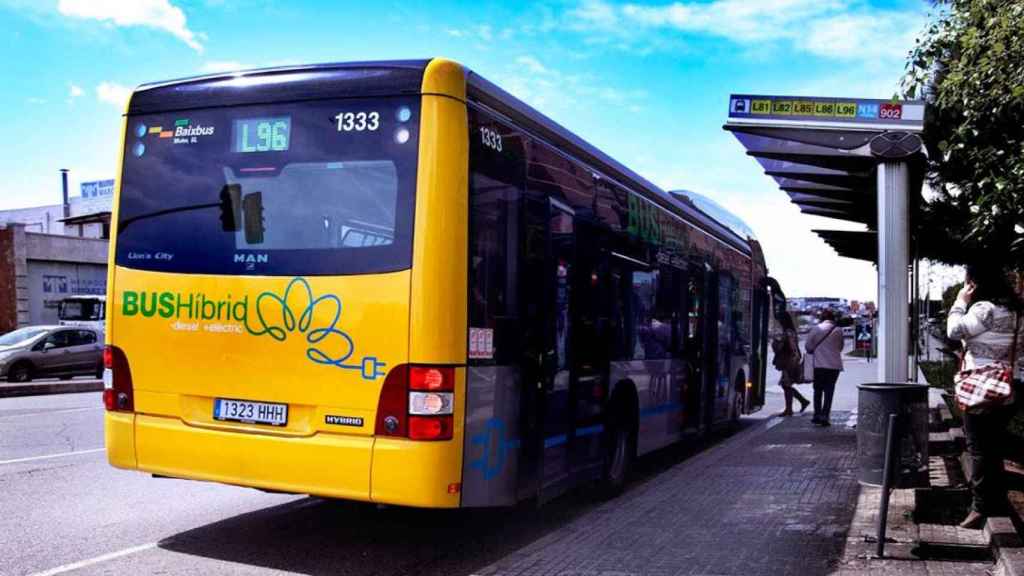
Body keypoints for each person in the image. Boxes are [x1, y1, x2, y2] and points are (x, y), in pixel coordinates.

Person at [947, 264, 1024, 529]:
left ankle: (980, 508)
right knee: (993, 447)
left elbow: (954, 331)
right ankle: (996, 501)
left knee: (979, 448)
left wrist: (960, 302)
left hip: (983, 386)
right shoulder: (1017, 313)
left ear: (975, 284)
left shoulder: (985, 309)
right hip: (1011, 385)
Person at [804, 309, 844, 426]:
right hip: (834, 366)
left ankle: (816, 415)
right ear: (833, 318)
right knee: (829, 391)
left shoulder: (816, 329)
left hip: (819, 366)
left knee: (817, 390)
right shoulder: (838, 330)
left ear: (821, 318)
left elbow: (808, 347)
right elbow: (840, 347)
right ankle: (825, 416)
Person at [771, 313, 809, 416]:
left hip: (788, 362)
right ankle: (801, 401)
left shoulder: (788, 333)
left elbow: (791, 348)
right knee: (786, 385)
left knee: (786, 384)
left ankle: (790, 409)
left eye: (780, 321)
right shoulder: (792, 332)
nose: (779, 323)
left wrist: (776, 344)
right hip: (792, 361)